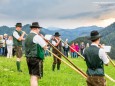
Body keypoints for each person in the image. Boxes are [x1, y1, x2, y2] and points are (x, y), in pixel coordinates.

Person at [25, 22, 47, 86]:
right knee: (35, 77)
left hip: (28, 57)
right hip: (36, 58)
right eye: (39, 29)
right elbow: (45, 46)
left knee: (32, 76)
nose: (39, 30)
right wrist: (43, 39)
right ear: (36, 29)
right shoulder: (36, 36)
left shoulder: (27, 36)